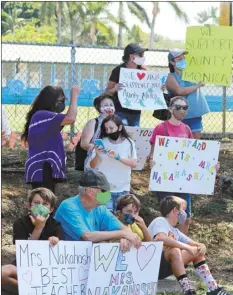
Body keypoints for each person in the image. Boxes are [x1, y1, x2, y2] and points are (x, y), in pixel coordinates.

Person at [148, 196, 233, 295]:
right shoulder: (160, 221)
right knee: (175, 250)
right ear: (175, 210)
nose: (185, 213)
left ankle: (213, 289)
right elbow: (161, 238)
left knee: (196, 252)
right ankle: (188, 292)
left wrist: (201, 246)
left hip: (164, 266)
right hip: (151, 266)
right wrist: (187, 247)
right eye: (183, 209)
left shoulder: (175, 231)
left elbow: (195, 245)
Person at [54, 170, 141, 252]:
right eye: (104, 191)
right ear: (90, 192)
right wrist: (122, 234)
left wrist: (126, 238)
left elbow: (125, 229)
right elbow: (87, 236)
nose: (108, 194)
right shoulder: (69, 206)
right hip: (67, 258)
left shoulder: (100, 208)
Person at [1, 187, 64, 295]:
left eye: (45, 204)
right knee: (3, 273)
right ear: (29, 206)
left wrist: (56, 240)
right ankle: (31, 293)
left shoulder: (55, 225)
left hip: (48, 271)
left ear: (51, 209)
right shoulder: (20, 223)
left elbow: (61, 250)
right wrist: (38, 228)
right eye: (36, 203)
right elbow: (24, 253)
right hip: (24, 268)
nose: (40, 207)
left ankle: (38, 293)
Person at [21, 85, 81, 193]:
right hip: (42, 167)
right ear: (50, 101)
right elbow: (71, 118)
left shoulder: (47, 118)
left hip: (46, 166)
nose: (62, 104)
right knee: (44, 204)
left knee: (46, 202)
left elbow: (68, 117)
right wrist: (74, 96)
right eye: (61, 101)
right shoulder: (42, 115)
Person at [149, 96, 193, 235]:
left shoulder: (186, 129)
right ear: (170, 109)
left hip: (183, 178)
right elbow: (153, 152)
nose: (182, 110)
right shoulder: (161, 128)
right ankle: (169, 246)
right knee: (169, 215)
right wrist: (151, 161)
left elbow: (194, 154)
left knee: (185, 216)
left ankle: (182, 247)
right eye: (178, 107)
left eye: (185, 107)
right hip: (165, 178)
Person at [89, 114, 137, 212]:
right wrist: (97, 155)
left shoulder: (129, 143)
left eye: (111, 128)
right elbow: (92, 165)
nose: (109, 131)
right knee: (104, 217)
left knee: (121, 218)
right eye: (106, 129)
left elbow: (133, 163)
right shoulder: (102, 142)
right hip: (103, 188)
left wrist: (118, 157)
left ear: (119, 127)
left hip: (123, 188)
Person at [166, 48, 210, 139]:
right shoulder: (171, 77)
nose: (183, 61)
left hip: (194, 114)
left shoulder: (193, 74)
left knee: (195, 141)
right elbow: (179, 91)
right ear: (172, 62)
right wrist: (197, 86)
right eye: (179, 59)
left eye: (184, 58)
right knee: (180, 140)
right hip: (180, 115)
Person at [106, 43, 148, 127]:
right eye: (139, 55)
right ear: (131, 57)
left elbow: (148, 88)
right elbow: (107, 92)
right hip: (120, 110)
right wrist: (115, 89)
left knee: (134, 134)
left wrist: (159, 88)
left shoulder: (143, 70)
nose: (142, 57)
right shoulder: (118, 70)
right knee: (121, 131)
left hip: (136, 111)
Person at [79, 93, 116, 170]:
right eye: (105, 105)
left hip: (112, 162)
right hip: (95, 162)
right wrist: (97, 148)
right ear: (98, 107)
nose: (109, 107)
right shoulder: (93, 122)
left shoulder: (118, 123)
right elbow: (84, 144)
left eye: (111, 105)